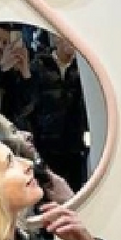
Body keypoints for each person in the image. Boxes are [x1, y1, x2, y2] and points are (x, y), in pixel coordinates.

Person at [31, 31, 91, 192]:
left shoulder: (82, 69)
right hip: (46, 143)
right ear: (56, 38)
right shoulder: (40, 65)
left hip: (74, 144)